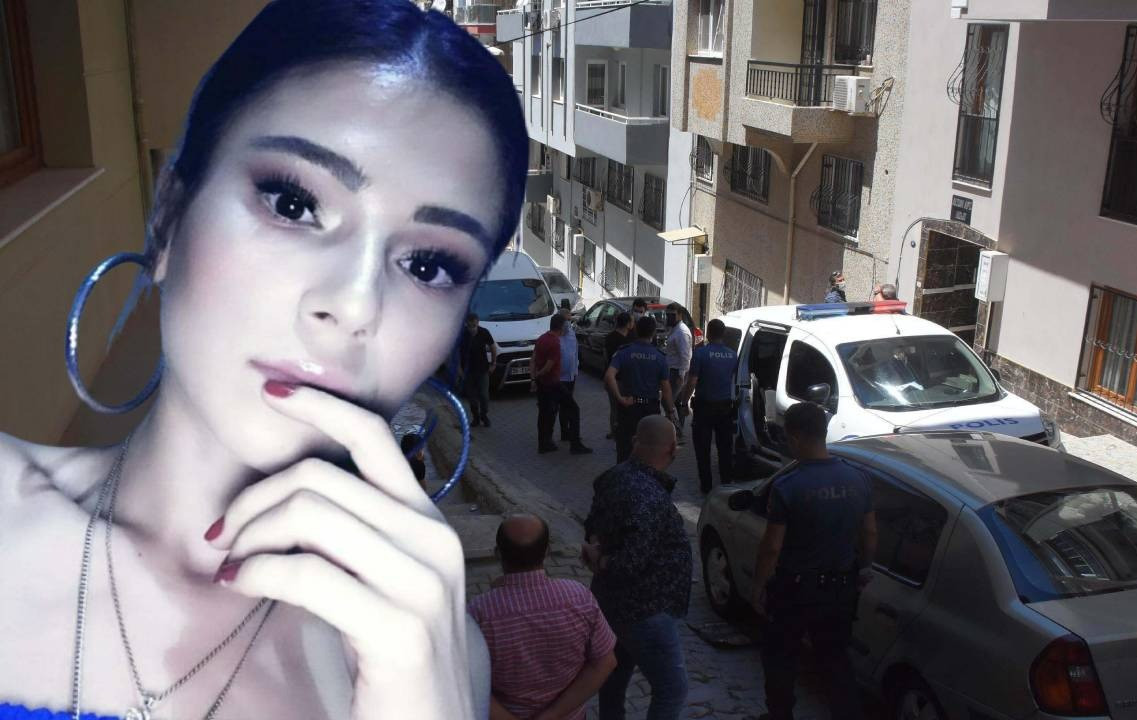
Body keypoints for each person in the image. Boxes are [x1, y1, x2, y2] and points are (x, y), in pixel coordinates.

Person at [0, 2, 528, 717]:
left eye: (429, 266)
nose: (354, 304)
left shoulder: (437, 657)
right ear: (169, 217)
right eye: (293, 202)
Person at [751, 403, 878, 720]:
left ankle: (780, 716)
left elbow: (772, 547)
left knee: (781, 658)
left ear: (794, 437)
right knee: (835, 660)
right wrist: (865, 567)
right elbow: (870, 532)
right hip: (840, 588)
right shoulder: (859, 479)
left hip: (795, 590)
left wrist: (759, 585)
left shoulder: (788, 486)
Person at [582, 416, 691, 720]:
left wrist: (594, 548)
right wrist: (601, 560)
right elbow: (630, 562)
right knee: (672, 689)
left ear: (634, 442)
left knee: (614, 680)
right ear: (673, 449)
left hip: (610, 605)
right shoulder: (648, 496)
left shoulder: (613, 477)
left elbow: (592, 526)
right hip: (645, 611)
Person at [469, 515, 618, 720]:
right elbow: (605, 663)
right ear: (547, 552)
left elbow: (466, 683)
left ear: (497, 553)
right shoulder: (579, 597)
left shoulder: (479, 613)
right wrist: (552, 715)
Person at [676, 319, 738, 493]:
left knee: (702, 449)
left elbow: (692, 381)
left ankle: (706, 486)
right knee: (725, 448)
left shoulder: (701, 353)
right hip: (725, 408)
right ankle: (726, 483)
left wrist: (683, 402)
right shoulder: (732, 355)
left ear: (708, 333)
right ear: (723, 334)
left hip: (704, 408)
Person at [604, 316, 676, 463]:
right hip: (650, 409)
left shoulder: (624, 352)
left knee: (625, 450)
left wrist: (619, 398)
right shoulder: (660, 357)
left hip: (628, 408)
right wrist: (670, 411)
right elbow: (666, 389)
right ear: (653, 333)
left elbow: (609, 376)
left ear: (636, 330)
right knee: (650, 451)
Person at [532, 314, 591, 455]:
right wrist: (538, 375)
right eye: (566, 324)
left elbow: (532, 359)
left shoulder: (542, 338)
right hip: (553, 383)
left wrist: (534, 379)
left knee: (545, 413)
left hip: (544, 384)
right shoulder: (555, 343)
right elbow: (548, 366)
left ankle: (544, 444)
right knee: (573, 409)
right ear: (561, 326)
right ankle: (575, 445)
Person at [664, 304, 693, 440]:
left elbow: (685, 356)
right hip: (674, 371)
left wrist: (681, 376)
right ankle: (677, 433)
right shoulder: (675, 329)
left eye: (672, 314)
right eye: (668, 314)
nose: (669, 317)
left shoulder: (682, 332)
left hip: (678, 372)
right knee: (676, 403)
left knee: (668, 402)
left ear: (680, 315)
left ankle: (676, 431)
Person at [463, 312, 498, 427]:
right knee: (472, 397)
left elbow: (493, 347)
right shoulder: (463, 335)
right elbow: (456, 353)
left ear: (478, 323)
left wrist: (493, 363)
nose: (472, 328)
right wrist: (459, 370)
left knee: (484, 395)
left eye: (474, 325)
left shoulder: (484, 332)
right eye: (470, 326)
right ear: (466, 324)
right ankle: (475, 417)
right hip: (468, 370)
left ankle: (484, 415)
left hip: (482, 369)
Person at [603, 312, 633, 441]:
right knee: (620, 407)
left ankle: (615, 431)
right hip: (619, 379)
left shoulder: (610, 337)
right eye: (632, 321)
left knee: (614, 407)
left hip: (614, 377)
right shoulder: (628, 339)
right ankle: (618, 432)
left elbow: (605, 356)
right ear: (627, 324)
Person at [557, 301, 582, 445]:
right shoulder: (556, 336)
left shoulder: (571, 333)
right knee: (566, 406)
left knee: (567, 405)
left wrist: (576, 368)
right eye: (566, 320)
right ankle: (567, 434)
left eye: (569, 320)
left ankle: (567, 433)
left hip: (571, 375)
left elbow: (575, 352)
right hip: (560, 377)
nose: (568, 323)